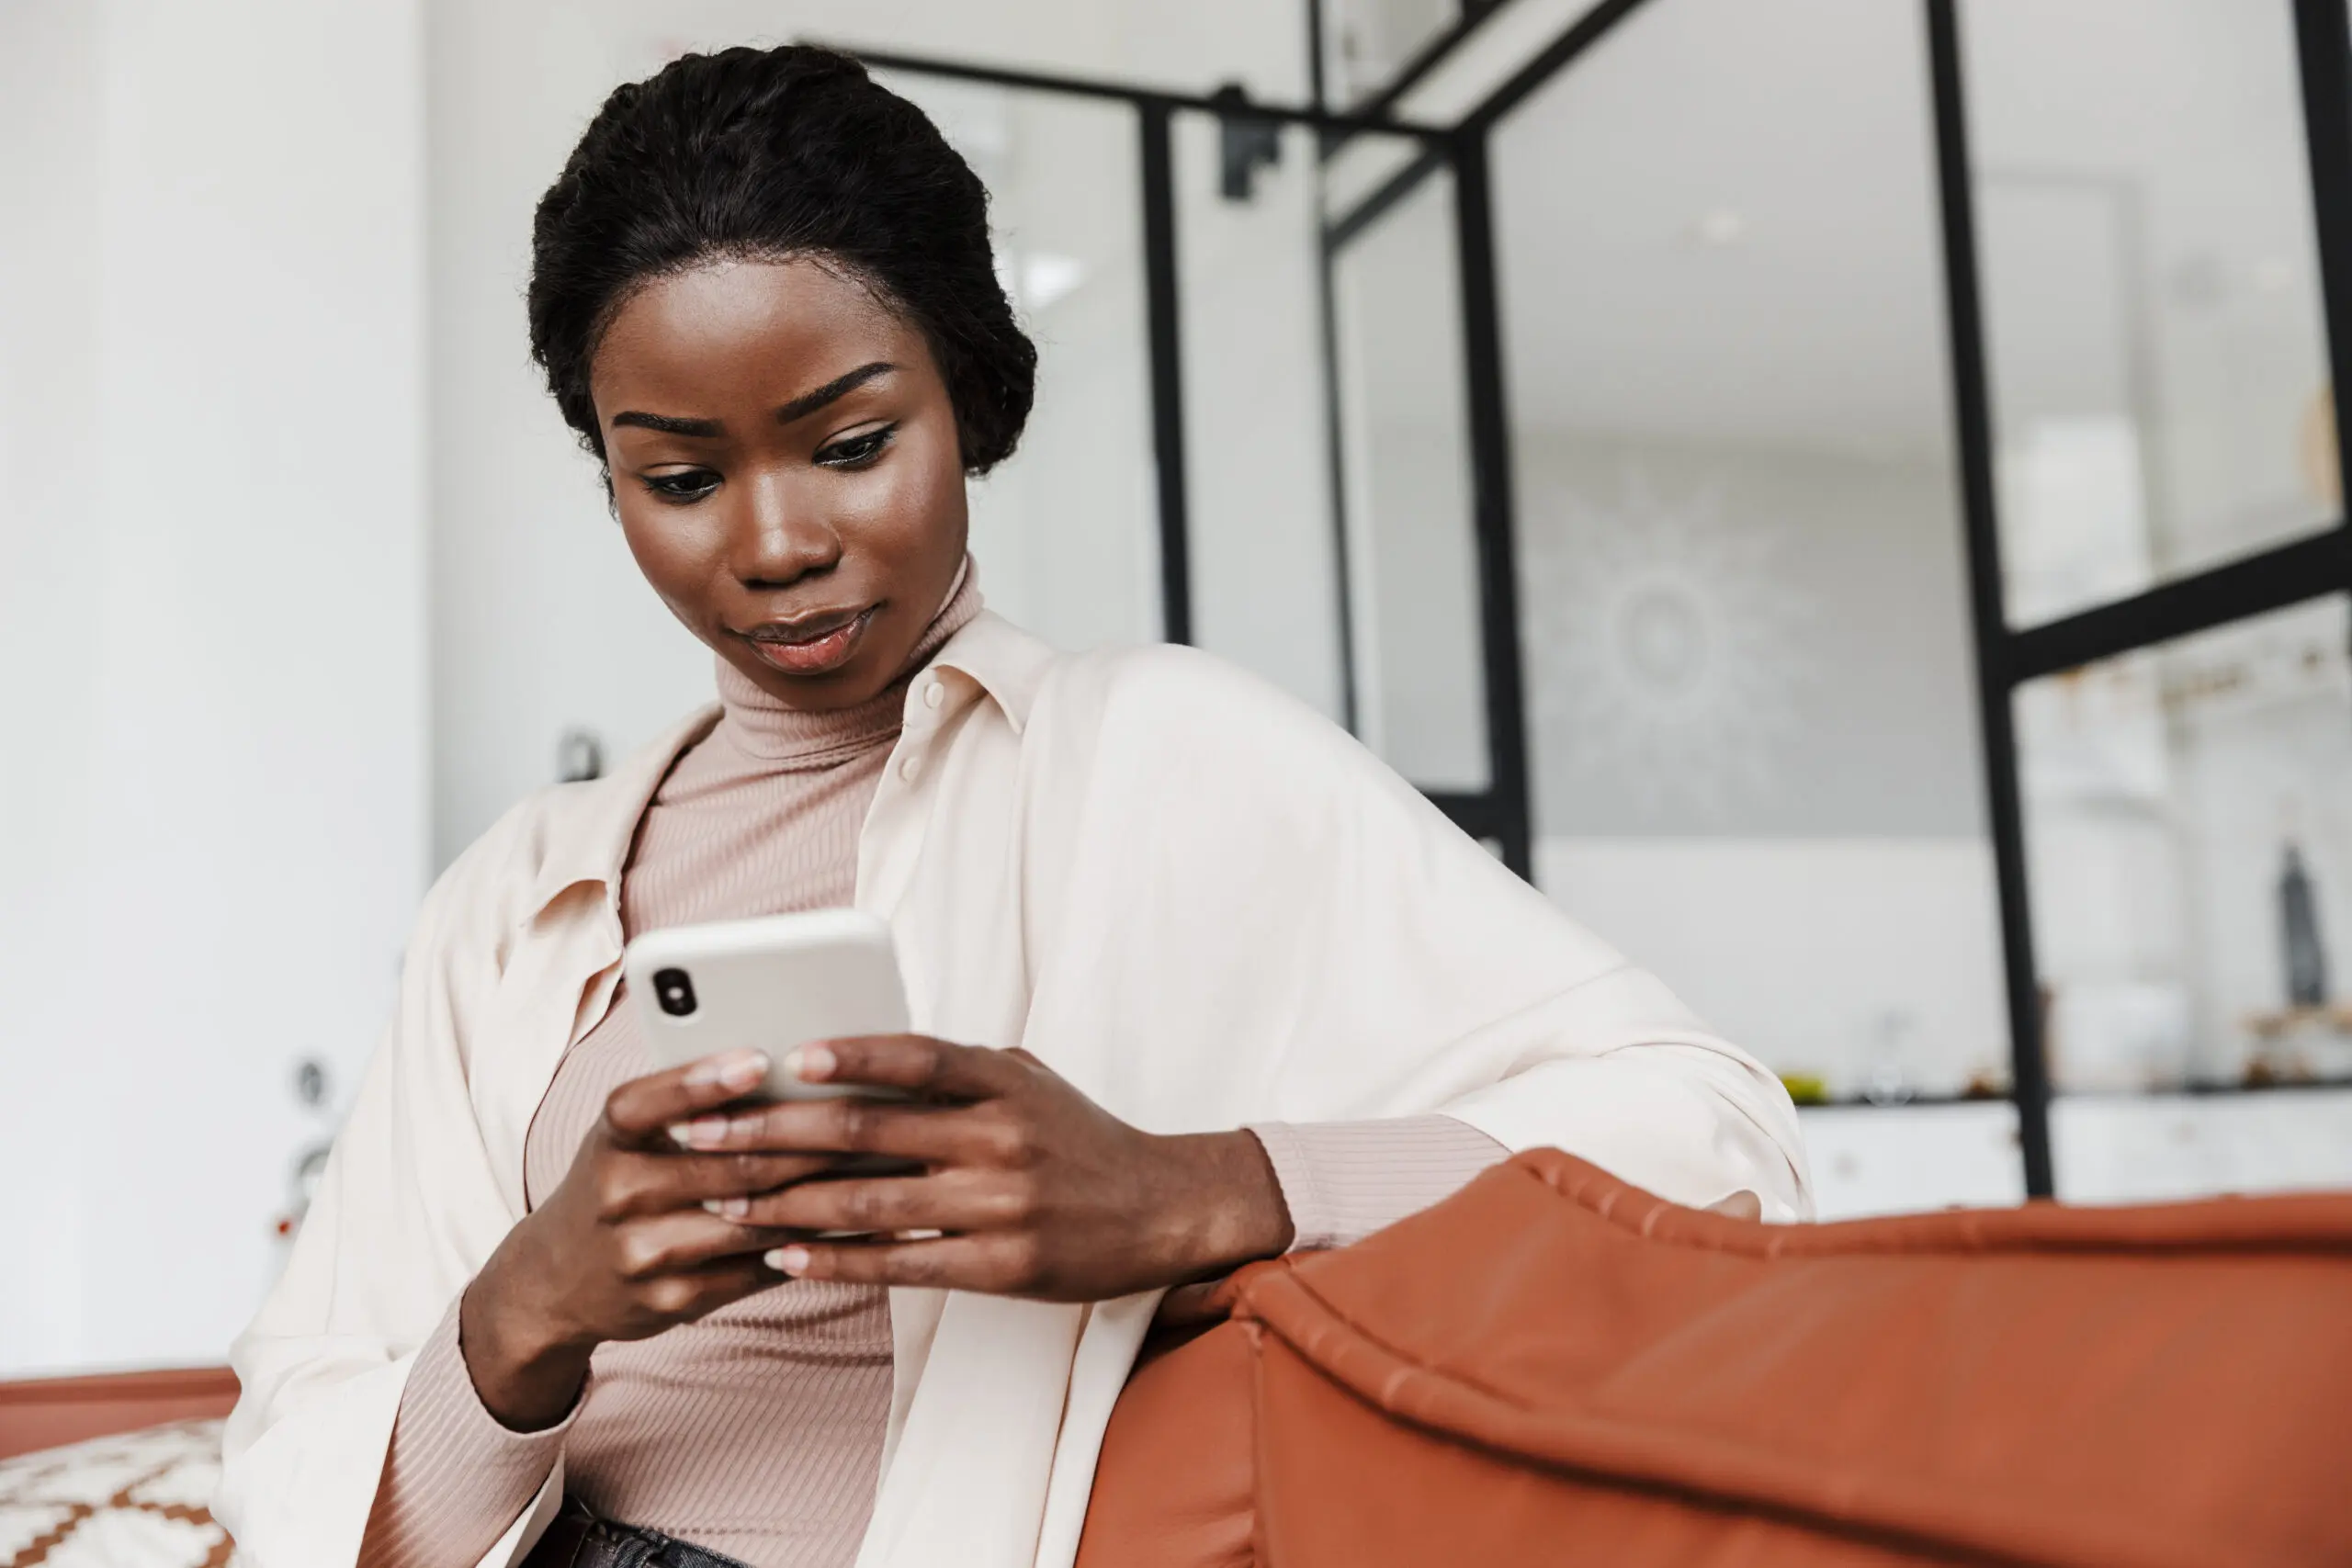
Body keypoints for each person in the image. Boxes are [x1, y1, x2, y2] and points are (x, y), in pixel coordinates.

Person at [216, 42, 1809, 1568]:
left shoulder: (1162, 755)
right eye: (682, 478)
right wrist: (524, 1317)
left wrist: (1206, 1188)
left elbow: (1713, 1134)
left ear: (968, 399)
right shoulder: (515, 901)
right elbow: (310, 1477)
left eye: (849, 443)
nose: (772, 543)